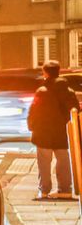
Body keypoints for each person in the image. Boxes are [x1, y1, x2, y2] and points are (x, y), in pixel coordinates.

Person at [27, 60, 79, 200]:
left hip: (43, 132)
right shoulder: (69, 91)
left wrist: (31, 125)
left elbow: (34, 111)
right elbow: (76, 110)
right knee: (63, 159)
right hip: (62, 132)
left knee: (44, 162)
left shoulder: (42, 91)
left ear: (45, 73)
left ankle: (44, 190)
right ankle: (65, 189)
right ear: (59, 71)